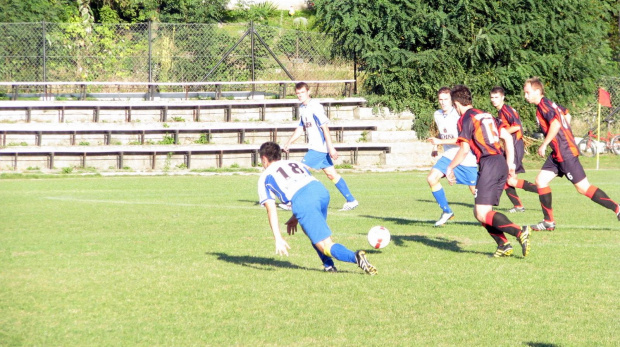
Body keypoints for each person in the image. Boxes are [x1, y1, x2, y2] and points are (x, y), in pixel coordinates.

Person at [257, 141, 377, 275]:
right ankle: (328, 266)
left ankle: (356, 257)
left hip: (304, 200)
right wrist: (295, 217)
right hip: (320, 191)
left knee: (325, 244)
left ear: (264, 158)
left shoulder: (265, 177)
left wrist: (278, 238)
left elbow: (271, 209)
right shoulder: (294, 163)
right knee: (313, 232)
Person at [523, 77, 620, 230]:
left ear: (537, 91)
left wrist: (545, 143)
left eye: (527, 93)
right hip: (557, 152)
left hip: (565, 152)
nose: (525, 96)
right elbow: (566, 115)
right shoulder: (548, 103)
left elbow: (555, 123)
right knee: (541, 181)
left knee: (583, 188)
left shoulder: (544, 106)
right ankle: (548, 222)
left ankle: (617, 208)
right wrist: (564, 134)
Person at [446, 85, 531, 258]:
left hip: (489, 163)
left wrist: (450, 167)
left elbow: (463, 148)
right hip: (499, 161)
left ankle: (519, 231)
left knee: (481, 212)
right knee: (482, 212)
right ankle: (504, 245)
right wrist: (510, 165)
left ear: (456, 103)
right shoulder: (487, 115)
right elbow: (507, 137)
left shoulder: (465, 119)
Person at [282, 82, 359, 211]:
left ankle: (292, 202)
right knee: (331, 174)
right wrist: (289, 142)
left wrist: (331, 148)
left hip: (318, 148)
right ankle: (351, 200)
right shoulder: (302, 108)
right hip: (317, 148)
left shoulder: (315, 107)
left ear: (308, 92)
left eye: (302, 92)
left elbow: (325, 128)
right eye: (298, 93)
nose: (300, 95)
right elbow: (301, 128)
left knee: (300, 171)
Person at [427, 87, 478, 226]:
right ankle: (446, 211)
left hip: (465, 156)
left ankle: (488, 215)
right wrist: (435, 146)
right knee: (432, 178)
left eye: (446, 99)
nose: (443, 102)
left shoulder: (459, 115)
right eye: (440, 99)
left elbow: (462, 140)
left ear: (452, 100)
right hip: (448, 155)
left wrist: (440, 142)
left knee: (476, 192)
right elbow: (443, 134)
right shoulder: (437, 114)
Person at [490, 86, 538, 213]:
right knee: (507, 179)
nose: (494, 100)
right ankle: (518, 205)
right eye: (492, 97)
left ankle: (540, 190)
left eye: (496, 97)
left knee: (509, 179)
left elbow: (517, 127)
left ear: (503, 98)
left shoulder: (506, 110)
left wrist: (502, 134)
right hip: (510, 146)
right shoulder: (500, 112)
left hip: (515, 146)